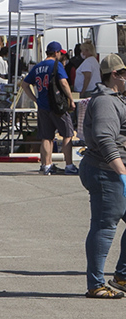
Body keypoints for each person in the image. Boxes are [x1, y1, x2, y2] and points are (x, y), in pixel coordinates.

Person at [79, 54, 126, 298]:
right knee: (104, 226)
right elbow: (105, 139)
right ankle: (96, 284)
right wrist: (122, 173)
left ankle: (122, 276)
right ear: (115, 75)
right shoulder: (106, 102)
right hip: (106, 171)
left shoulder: (117, 98)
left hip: (112, 171)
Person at [20, 41, 77, 175]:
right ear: (56, 52)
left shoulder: (38, 66)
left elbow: (24, 84)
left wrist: (35, 99)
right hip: (57, 105)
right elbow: (63, 82)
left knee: (46, 137)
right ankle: (69, 165)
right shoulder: (56, 65)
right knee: (67, 134)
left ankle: (46, 165)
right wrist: (71, 99)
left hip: (43, 105)